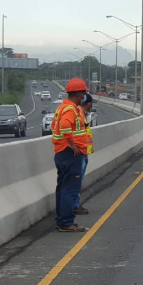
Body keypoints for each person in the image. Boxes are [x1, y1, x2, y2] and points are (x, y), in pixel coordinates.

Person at [51, 78, 89, 232]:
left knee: (62, 188)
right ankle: (66, 223)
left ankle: (62, 220)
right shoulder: (70, 109)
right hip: (70, 154)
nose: (85, 96)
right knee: (70, 189)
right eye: (84, 93)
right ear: (79, 94)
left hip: (62, 153)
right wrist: (72, 144)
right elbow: (65, 125)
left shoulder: (62, 107)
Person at [74, 93, 94, 216]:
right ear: (90, 104)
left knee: (76, 180)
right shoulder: (79, 114)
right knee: (76, 180)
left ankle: (75, 204)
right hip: (79, 152)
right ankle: (75, 205)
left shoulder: (78, 113)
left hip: (82, 151)